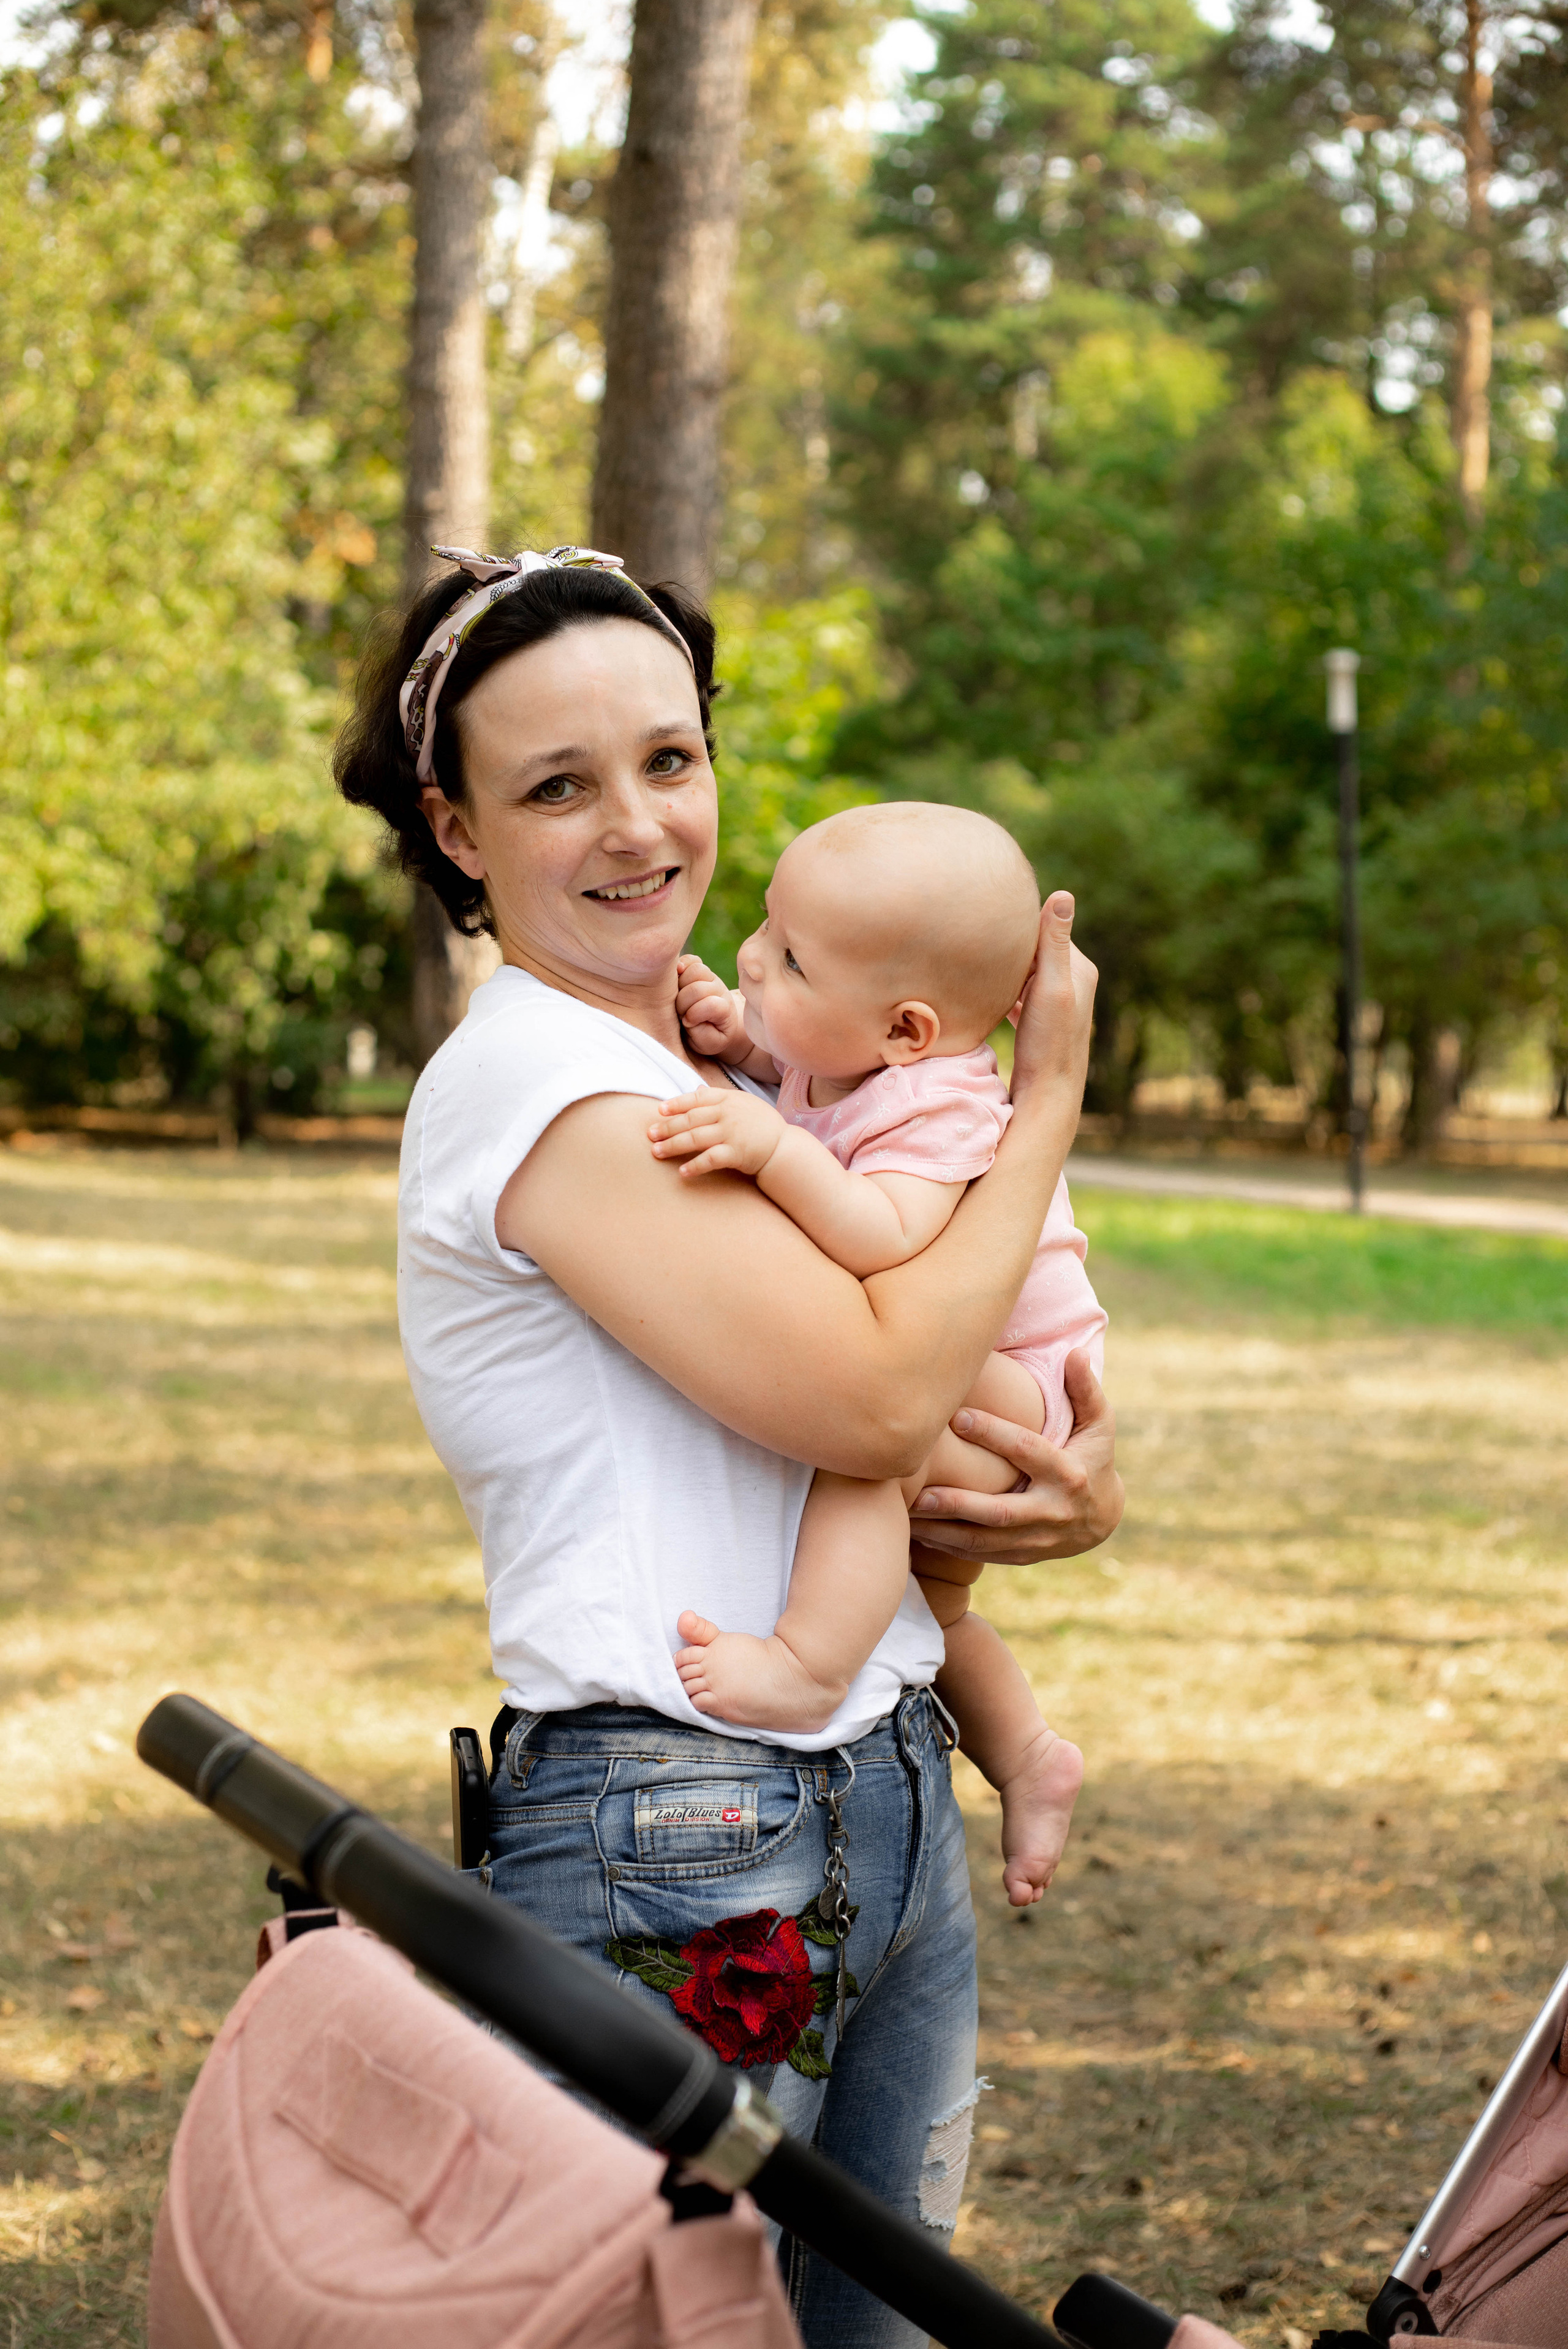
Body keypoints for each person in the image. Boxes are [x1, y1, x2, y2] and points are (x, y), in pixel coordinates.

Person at [334, 543, 1123, 2349]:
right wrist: (1045, 1109)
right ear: (457, 830)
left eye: (669, 759)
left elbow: (940, 1370)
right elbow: (878, 1401)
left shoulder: (733, 1075)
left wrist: (1066, 1486)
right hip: (679, 1820)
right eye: (556, 786)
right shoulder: (541, 1086)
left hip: (888, 1782)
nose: (637, 827)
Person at [647, 801, 1106, 1910]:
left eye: (790, 960)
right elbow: (804, 1071)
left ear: (906, 1030)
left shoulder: (942, 1109)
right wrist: (741, 1040)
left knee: (869, 1454)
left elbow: (881, 1233)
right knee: (933, 1610)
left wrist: (769, 1148)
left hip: (1019, 1383)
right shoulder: (848, 1056)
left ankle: (807, 1669)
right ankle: (1029, 1754)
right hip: (984, 1365)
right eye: (767, 925)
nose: (752, 957)